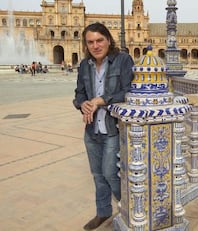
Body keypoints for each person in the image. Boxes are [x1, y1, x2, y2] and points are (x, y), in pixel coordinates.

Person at [73, 22, 134, 230]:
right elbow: (79, 93)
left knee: (109, 173)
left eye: (100, 40)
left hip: (112, 129)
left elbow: (128, 91)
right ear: (86, 45)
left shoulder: (123, 60)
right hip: (91, 130)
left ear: (109, 40)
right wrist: (83, 104)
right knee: (97, 174)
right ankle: (103, 212)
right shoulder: (84, 65)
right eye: (90, 42)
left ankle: (129, 210)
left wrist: (102, 100)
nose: (95, 45)